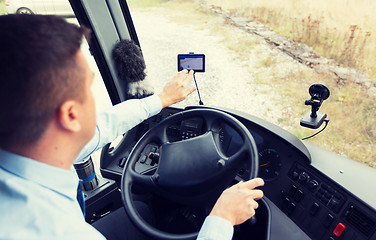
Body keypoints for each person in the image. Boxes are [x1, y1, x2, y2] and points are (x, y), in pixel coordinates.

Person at [0, 14, 264, 240]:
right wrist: (221, 219)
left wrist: (162, 99)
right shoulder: (53, 231)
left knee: (144, 209)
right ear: (70, 115)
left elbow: (105, 125)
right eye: (88, 87)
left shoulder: (29, 145)